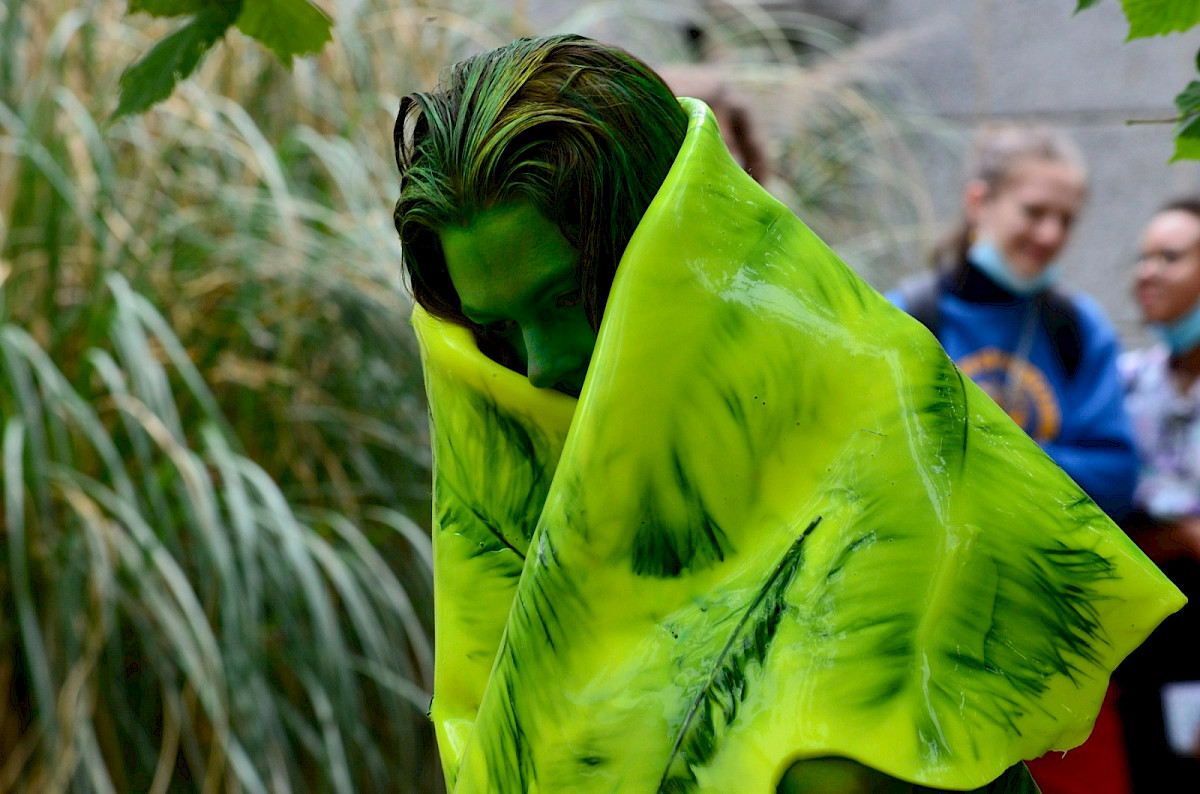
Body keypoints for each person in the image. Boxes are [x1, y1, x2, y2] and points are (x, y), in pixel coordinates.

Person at [393, 35, 1180, 794]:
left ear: (671, 243)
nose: (540, 363)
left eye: (568, 298)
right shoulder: (516, 467)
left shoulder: (881, 407)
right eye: (497, 328)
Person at [888, 123, 1140, 794]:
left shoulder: (1076, 325)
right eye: (1035, 211)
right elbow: (883, 466)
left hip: (1054, 638)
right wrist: (1046, 466)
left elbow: (1115, 475)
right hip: (930, 640)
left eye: (1067, 219)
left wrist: (978, 456)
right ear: (980, 201)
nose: (1052, 234)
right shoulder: (904, 319)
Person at [1115, 196, 1200, 792]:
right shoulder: (1122, 382)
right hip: (1143, 655)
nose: (1146, 272)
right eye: (1143, 258)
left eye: (1168, 257)